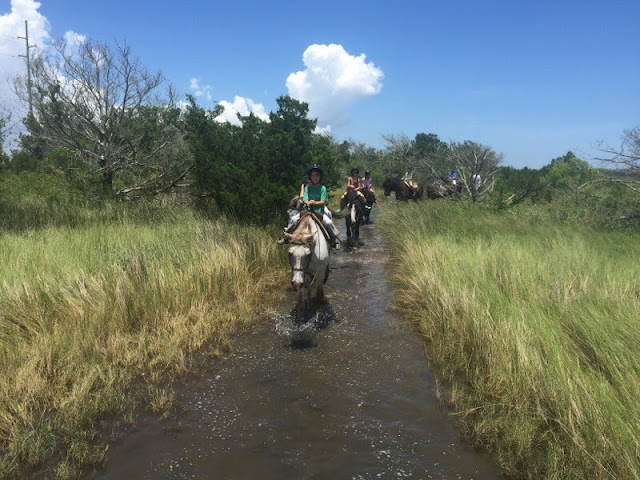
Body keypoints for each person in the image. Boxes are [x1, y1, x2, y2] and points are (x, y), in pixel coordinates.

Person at [303, 164, 341, 249]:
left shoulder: (322, 188)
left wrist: (314, 202)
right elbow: (305, 199)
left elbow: (324, 201)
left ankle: (334, 239)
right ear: (310, 177)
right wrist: (307, 202)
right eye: (313, 175)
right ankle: (287, 235)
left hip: (319, 211)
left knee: (329, 222)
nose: (315, 178)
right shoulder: (307, 188)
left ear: (320, 177)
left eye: (317, 175)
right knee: (294, 219)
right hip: (307, 211)